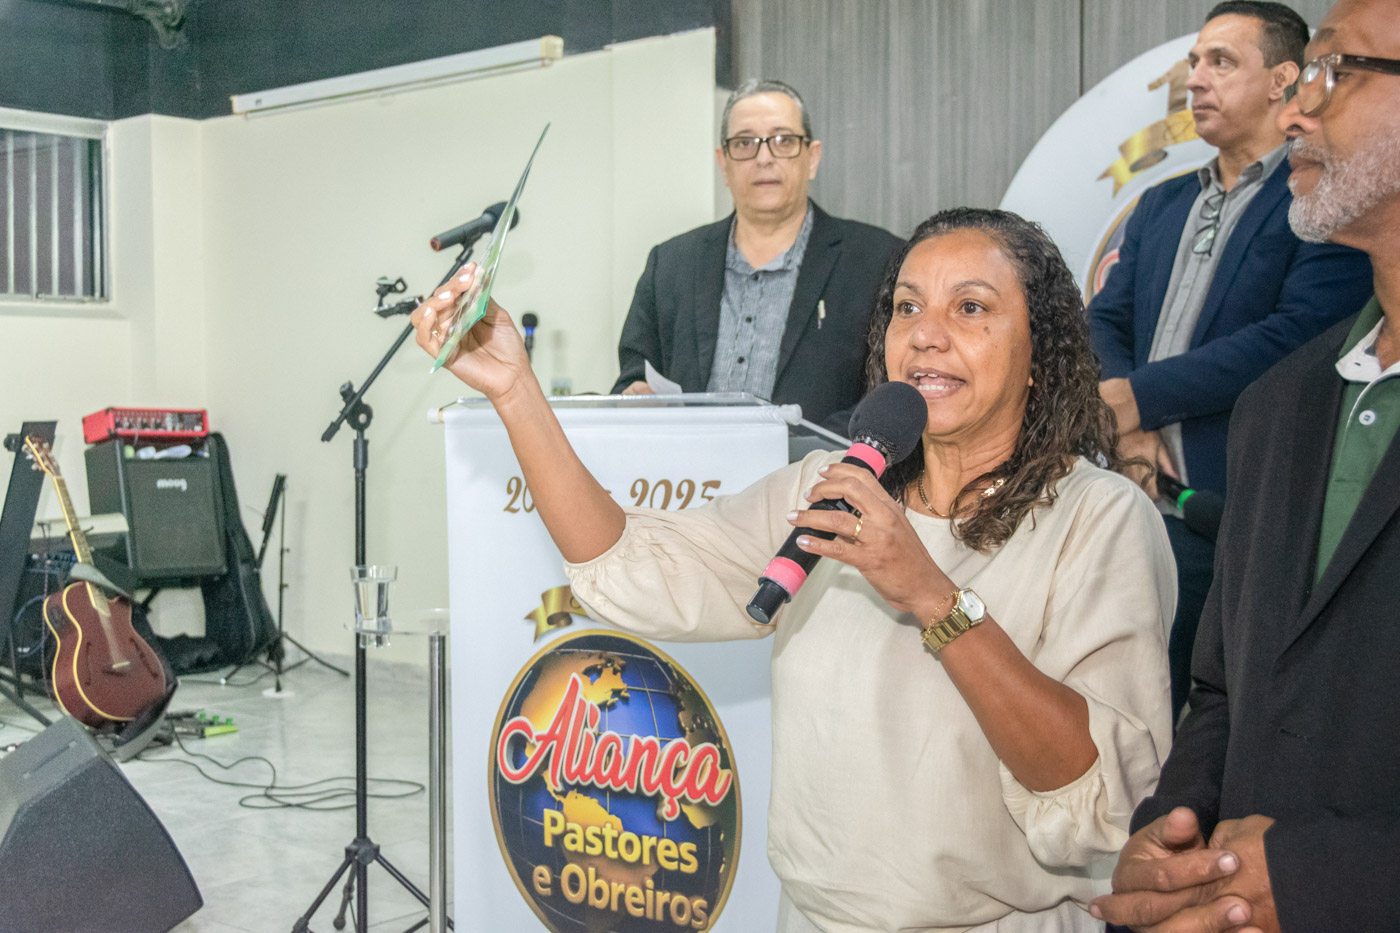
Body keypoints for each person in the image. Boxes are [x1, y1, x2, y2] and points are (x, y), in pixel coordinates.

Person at [414, 208, 1173, 931]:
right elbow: (633, 565)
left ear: (1041, 351)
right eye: (907, 308)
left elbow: (1102, 790)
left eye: (970, 308)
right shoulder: (828, 489)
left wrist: (931, 596)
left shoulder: (1098, 517)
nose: (926, 335)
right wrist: (515, 390)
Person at [1093, 1, 1400, 930]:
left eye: (1334, 72)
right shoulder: (1284, 405)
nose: (1298, 110)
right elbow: (1227, 690)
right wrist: (1173, 830)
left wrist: (1320, 877)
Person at [1087, 0, 1373, 719]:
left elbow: (1294, 338)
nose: (1195, 79)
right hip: (1130, 495)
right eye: (1194, 63)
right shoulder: (1159, 203)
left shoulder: (1318, 199)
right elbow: (1104, 319)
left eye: (1221, 62)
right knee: (1118, 711)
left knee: (1218, 719)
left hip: (1234, 514)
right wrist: (1127, 423)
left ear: (1283, 81)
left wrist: (1135, 400)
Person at [610, 79, 902, 431]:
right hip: (687, 465)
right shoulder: (671, 265)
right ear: (724, 164)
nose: (764, 158)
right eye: (745, 143)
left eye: (783, 141)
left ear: (812, 158)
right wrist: (635, 397)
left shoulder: (876, 261)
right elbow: (633, 380)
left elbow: (890, 393)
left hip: (818, 465)